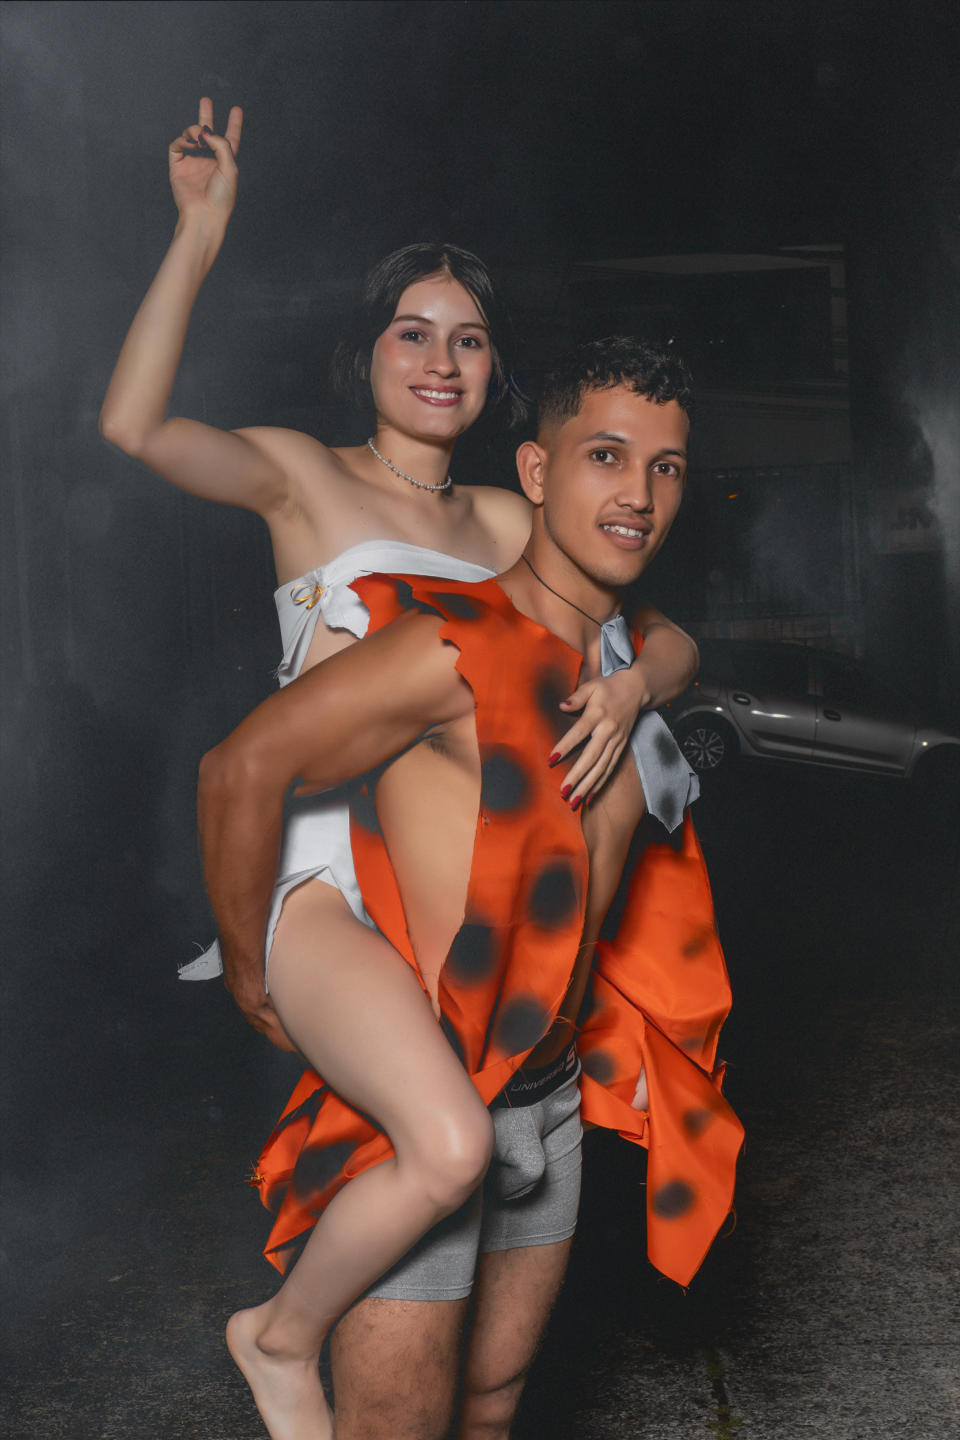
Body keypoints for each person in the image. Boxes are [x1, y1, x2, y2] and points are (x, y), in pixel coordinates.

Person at [199, 338, 743, 1440]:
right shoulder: (450, 644)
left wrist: (642, 681)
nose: (639, 495)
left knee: (492, 1409)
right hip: (429, 1108)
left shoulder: (628, 662)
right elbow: (239, 770)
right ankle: (274, 1340)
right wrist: (253, 972)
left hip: (552, 1094)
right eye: (605, 456)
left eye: (667, 467)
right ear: (536, 472)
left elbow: (677, 649)